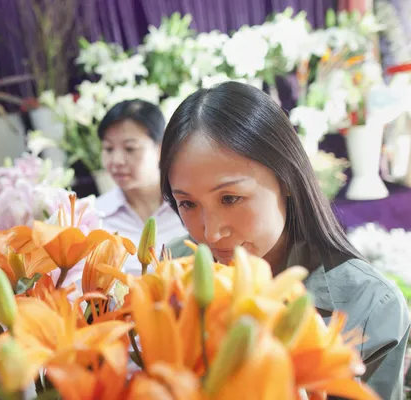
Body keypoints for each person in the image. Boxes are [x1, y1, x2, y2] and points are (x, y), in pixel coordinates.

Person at [162, 82, 410, 399]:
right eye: (187, 204)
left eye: (230, 198)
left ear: (287, 180)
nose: (210, 234)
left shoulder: (370, 304)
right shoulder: (174, 267)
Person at [95, 99, 188, 276]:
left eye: (130, 148)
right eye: (108, 148)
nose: (116, 161)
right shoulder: (96, 216)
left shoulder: (188, 205)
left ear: (160, 150)